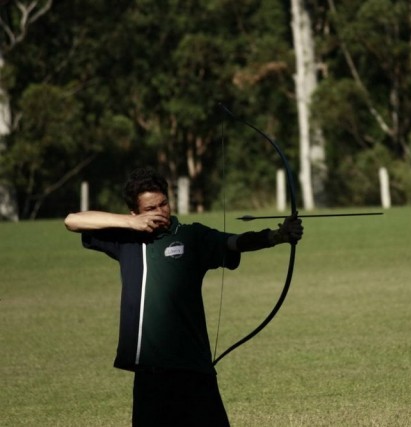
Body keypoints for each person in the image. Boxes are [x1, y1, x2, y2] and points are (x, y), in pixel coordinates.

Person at [64, 167, 303, 426]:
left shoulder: (191, 236)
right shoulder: (126, 241)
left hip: (193, 367)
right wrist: (130, 223)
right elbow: (73, 221)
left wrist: (276, 236)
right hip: (150, 372)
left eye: (163, 204)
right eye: (150, 208)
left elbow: (234, 242)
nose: (160, 212)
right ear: (135, 212)